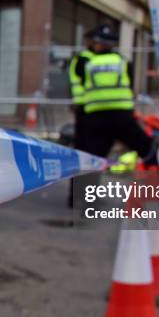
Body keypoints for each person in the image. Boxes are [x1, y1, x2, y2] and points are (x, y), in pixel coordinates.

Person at [77, 24, 159, 163]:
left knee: (92, 160)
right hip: (122, 115)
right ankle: (158, 176)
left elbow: (83, 83)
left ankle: (85, 184)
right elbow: (130, 84)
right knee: (146, 149)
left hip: (96, 116)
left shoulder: (88, 63)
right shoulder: (122, 62)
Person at [66, 33, 95, 207]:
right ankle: (78, 197)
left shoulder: (93, 59)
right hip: (85, 113)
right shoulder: (84, 60)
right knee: (84, 156)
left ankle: (85, 196)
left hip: (92, 113)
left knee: (92, 157)